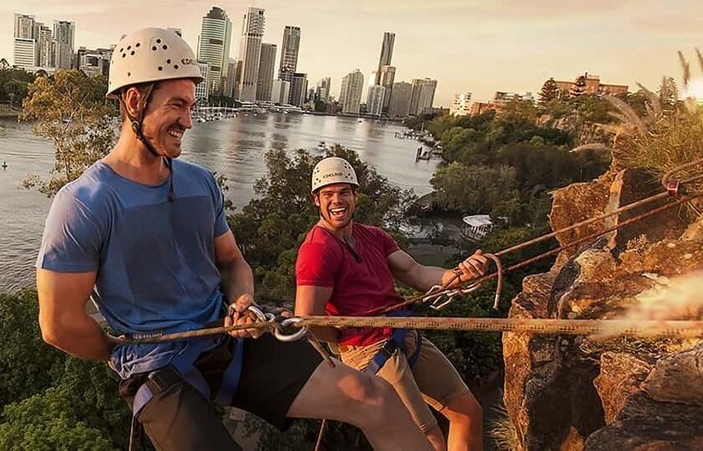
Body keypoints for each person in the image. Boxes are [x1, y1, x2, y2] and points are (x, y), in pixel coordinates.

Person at [35, 27, 430, 450]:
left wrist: (242, 301)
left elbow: (232, 262)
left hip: (230, 341)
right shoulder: (84, 203)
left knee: (375, 397)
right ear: (135, 101)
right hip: (156, 365)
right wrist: (121, 353)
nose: (188, 119)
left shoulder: (199, 183)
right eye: (178, 105)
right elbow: (58, 325)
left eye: (191, 105)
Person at [295, 157, 488, 451]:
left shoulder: (373, 236)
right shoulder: (317, 251)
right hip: (368, 350)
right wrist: (346, 340)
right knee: (427, 442)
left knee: (467, 412)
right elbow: (308, 319)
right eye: (328, 194)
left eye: (344, 192)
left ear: (356, 195)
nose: (337, 201)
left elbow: (417, 273)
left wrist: (459, 274)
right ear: (316, 200)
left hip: (403, 332)